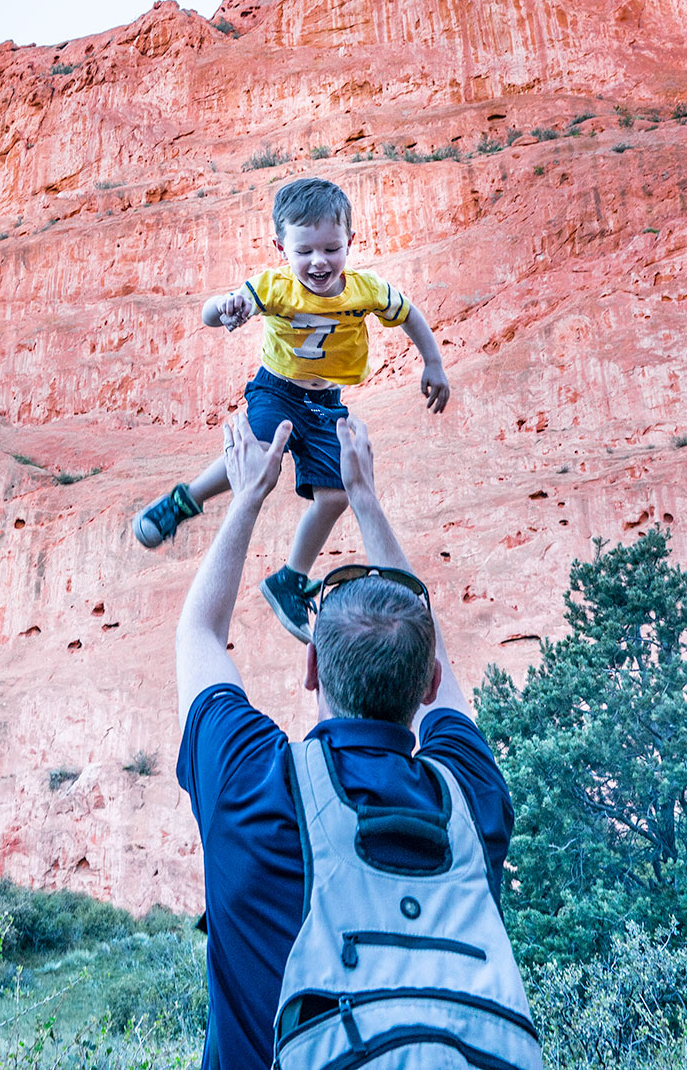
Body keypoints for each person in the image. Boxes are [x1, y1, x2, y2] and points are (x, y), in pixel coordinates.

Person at [175, 410, 517, 1070]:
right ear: (429, 682)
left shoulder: (255, 782)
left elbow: (198, 633)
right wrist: (365, 500)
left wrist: (248, 494)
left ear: (311, 669)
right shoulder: (469, 796)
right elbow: (440, 667)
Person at [134, 177, 450, 643]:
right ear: (280, 247)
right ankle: (187, 499)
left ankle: (291, 579)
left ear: (350, 243)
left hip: (326, 404)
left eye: (330, 248)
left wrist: (434, 361)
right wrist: (225, 306)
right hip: (277, 390)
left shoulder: (365, 290)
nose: (318, 261)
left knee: (338, 494)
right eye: (304, 251)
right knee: (261, 455)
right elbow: (207, 314)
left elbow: (408, 313)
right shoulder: (273, 287)